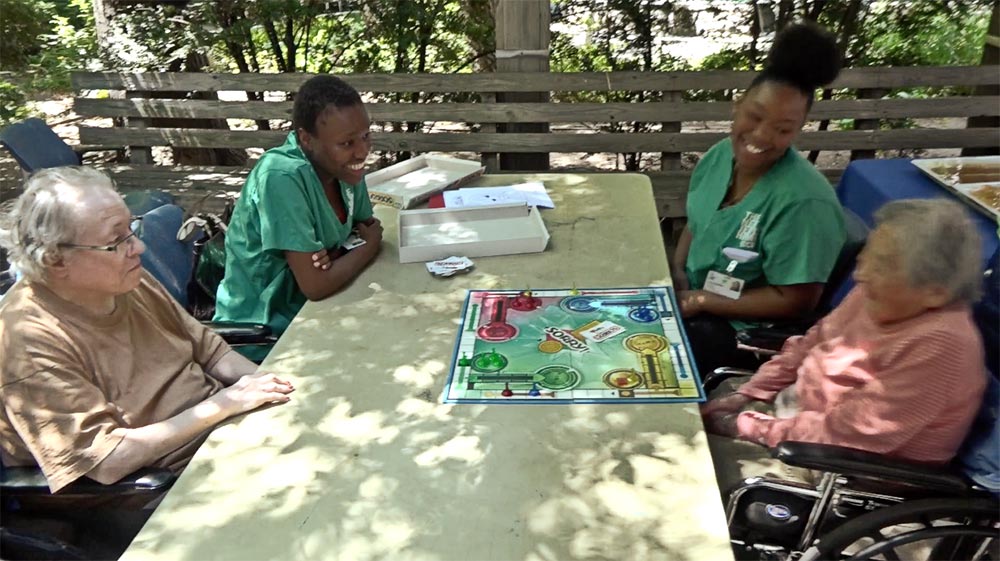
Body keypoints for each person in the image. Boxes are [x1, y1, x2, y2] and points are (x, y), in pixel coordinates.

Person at [0, 166, 295, 494]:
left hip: (228, 435)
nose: (137, 248)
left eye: (132, 229)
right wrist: (223, 405)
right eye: (116, 240)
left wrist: (271, 388)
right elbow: (108, 460)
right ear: (56, 260)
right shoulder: (28, 339)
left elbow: (209, 351)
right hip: (164, 486)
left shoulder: (124, 278)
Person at [700, 199, 988, 493]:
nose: (859, 275)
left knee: (695, 474)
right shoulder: (876, 294)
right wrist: (753, 390)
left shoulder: (941, 346)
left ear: (935, 293)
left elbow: (847, 434)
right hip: (798, 418)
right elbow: (814, 340)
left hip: (844, 470)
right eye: (867, 257)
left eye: (883, 266)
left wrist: (748, 427)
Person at [672, 22, 847, 376]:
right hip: (697, 302)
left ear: (798, 130)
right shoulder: (718, 157)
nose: (762, 136)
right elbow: (697, 222)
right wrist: (676, 273)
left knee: (653, 360)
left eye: (783, 129)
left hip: (748, 332)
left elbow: (796, 302)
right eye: (754, 117)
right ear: (737, 106)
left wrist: (705, 300)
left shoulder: (804, 203)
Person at [213, 75, 384, 362]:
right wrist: (367, 247)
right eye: (346, 143)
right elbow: (316, 285)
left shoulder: (345, 169)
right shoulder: (281, 176)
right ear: (306, 139)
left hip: (321, 311)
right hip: (267, 335)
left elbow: (364, 226)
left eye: (366, 136)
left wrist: (338, 257)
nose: (363, 151)